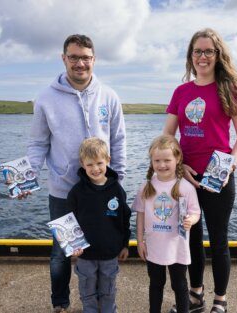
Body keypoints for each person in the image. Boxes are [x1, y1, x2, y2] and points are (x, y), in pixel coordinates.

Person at [27, 34, 126, 313]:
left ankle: (100, 303)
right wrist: (28, 175)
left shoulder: (109, 96)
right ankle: (60, 303)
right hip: (62, 190)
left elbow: (118, 140)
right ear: (63, 59)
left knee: (102, 248)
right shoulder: (46, 98)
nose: (80, 63)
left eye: (85, 57)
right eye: (74, 57)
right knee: (61, 252)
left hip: (102, 190)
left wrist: (118, 178)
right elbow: (37, 143)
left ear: (94, 60)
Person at [163, 28, 237, 313]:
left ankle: (220, 300)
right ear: (191, 56)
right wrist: (178, 164)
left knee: (219, 240)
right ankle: (196, 295)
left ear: (217, 55)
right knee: (191, 237)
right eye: (197, 51)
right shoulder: (181, 92)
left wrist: (231, 163)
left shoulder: (231, 90)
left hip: (218, 178)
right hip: (187, 177)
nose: (202, 56)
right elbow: (168, 137)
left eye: (208, 51)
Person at [132, 135, 201, 313]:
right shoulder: (146, 187)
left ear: (177, 159)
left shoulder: (186, 187)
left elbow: (196, 212)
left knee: (179, 285)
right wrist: (140, 241)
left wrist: (190, 221)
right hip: (154, 246)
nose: (162, 165)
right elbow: (140, 215)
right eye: (157, 160)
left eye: (167, 160)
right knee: (155, 284)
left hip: (177, 247)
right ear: (151, 161)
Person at [67, 137, 131, 313]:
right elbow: (69, 222)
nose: (95, 169)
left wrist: (125, 244)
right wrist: (73, 245)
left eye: (99, 163)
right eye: (90, 165)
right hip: (85, 255)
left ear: (108, 160)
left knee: (108, 290)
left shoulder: (117, 190)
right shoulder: (76, 193)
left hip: (110, 254)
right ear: (82, 164)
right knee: (87, 291)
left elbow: (125, 219)